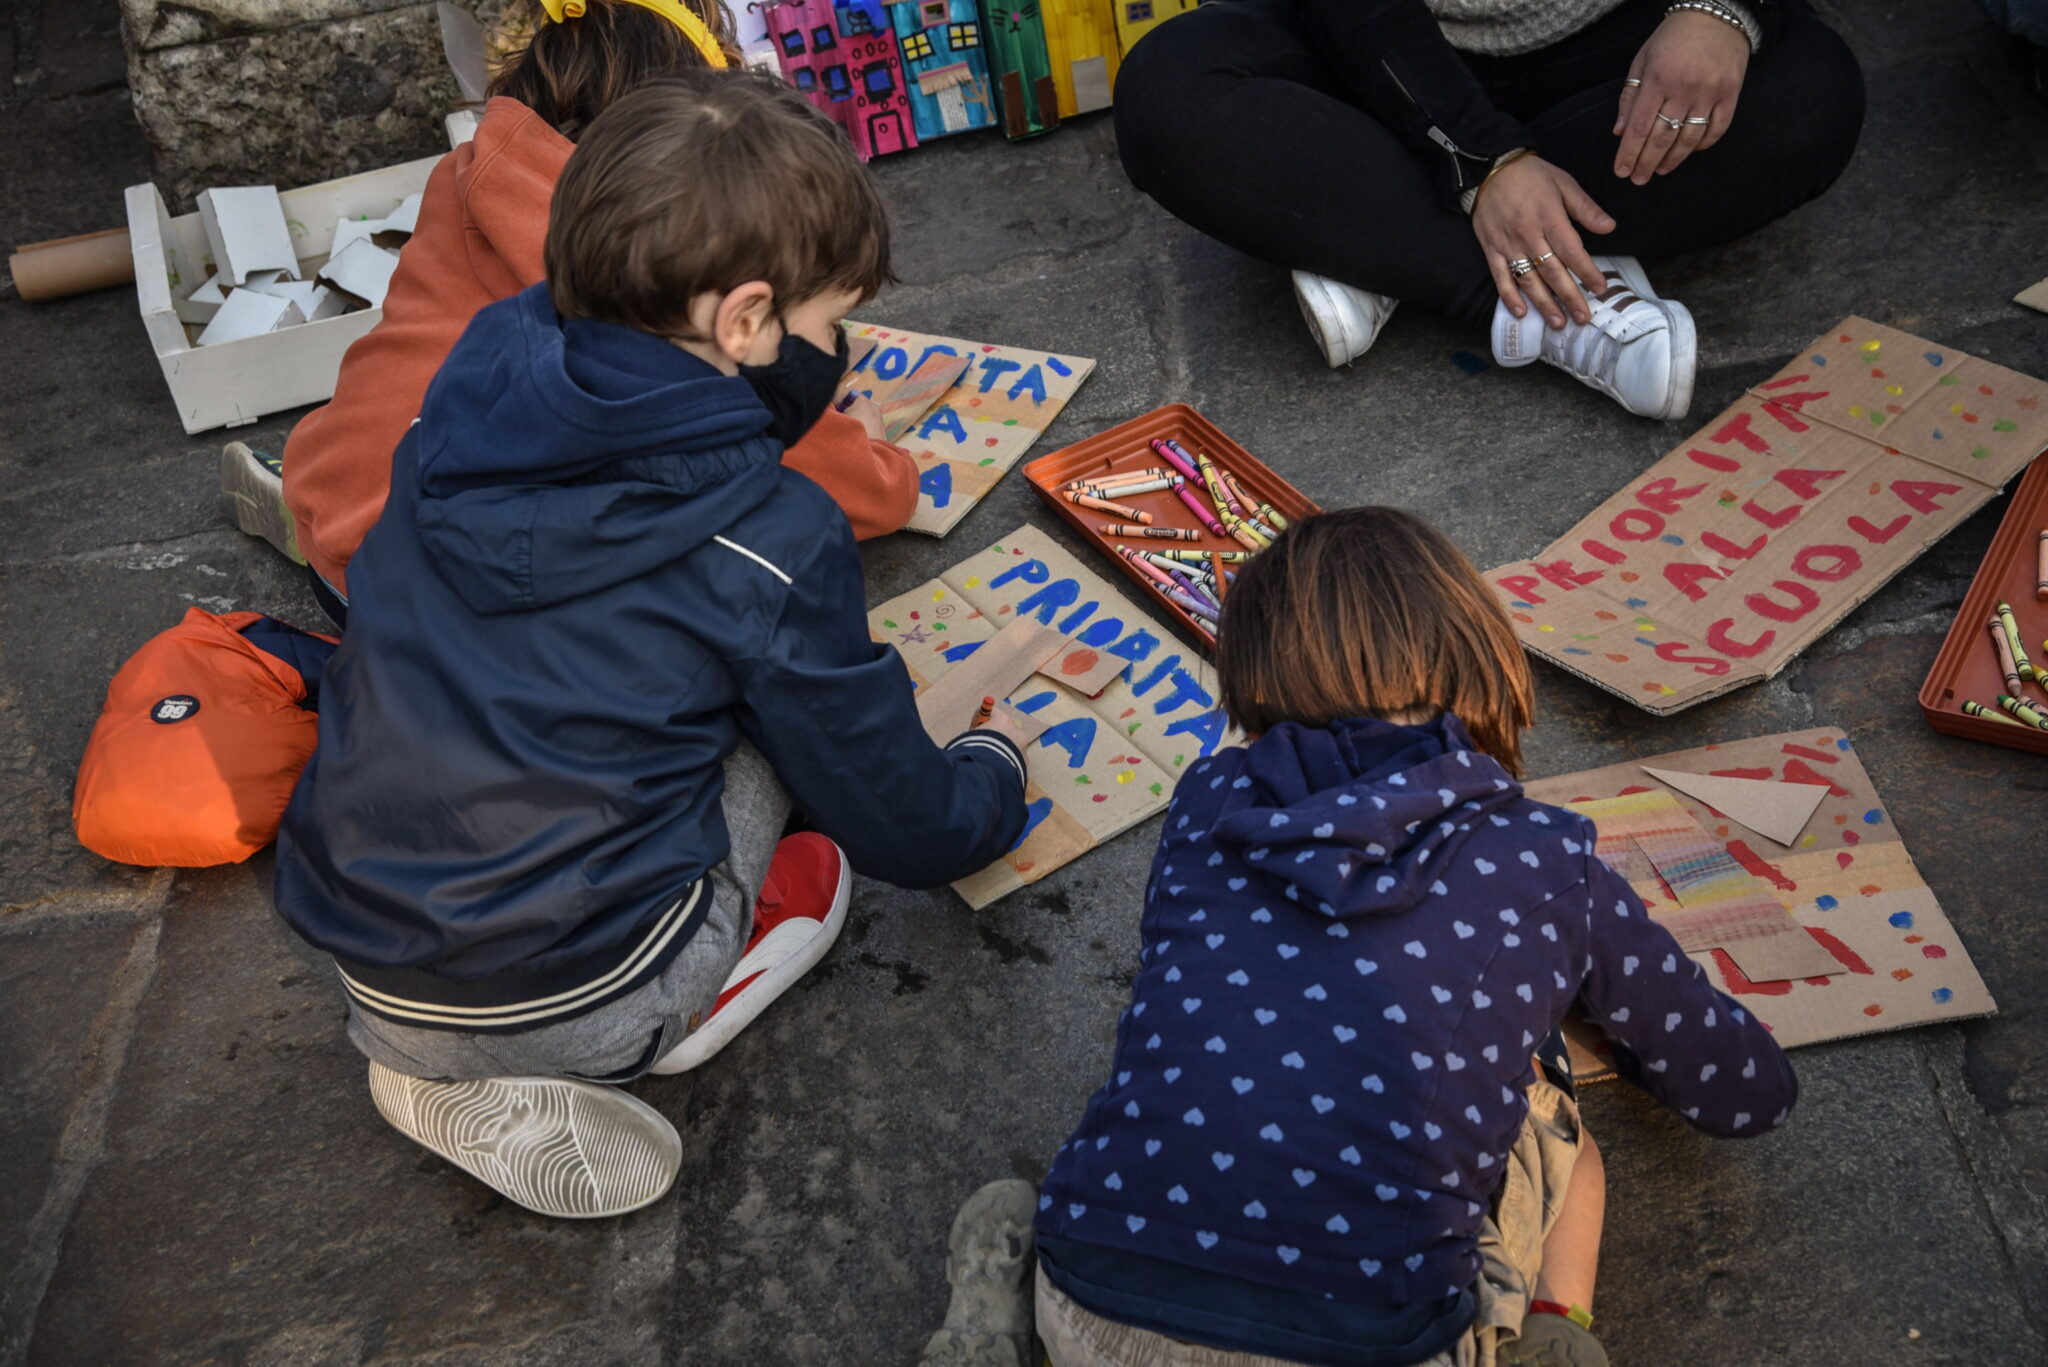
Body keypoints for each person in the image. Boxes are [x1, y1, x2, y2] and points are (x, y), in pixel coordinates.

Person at [271, 72, 1031, 1221]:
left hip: (366, 948)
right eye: (830, 326)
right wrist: (992, 778)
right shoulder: (774, 537)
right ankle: (658, 1022)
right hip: (593, 979)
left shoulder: (466, 389)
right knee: (795, 759)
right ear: (744, 321)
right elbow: (898, 816)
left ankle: (435, 1066)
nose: (837, 352)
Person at [920, 508, 1800, 1367]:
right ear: (1480, 663)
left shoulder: (1207, 802)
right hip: (1372, 1343)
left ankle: (1005, 1316)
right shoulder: (1544, 858)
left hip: (1094, 1301)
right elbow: (1744, 1090)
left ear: (1253, 695)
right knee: (1554, 1127)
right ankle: (1555, 1328)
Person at [220, 0, 921, 628]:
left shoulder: (468, 174)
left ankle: (308, 509)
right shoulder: (642, 259)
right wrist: (880, 462)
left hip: (340, 535)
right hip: (462, 624)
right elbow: (787, 455)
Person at [1112, 0, 1864, 420]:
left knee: (1811, 95)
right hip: (1381, 49)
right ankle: (1531, 299)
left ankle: (1373, 239)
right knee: (1169, 91)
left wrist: (1722, 13)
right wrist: (1482, 161)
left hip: (1621, 37)